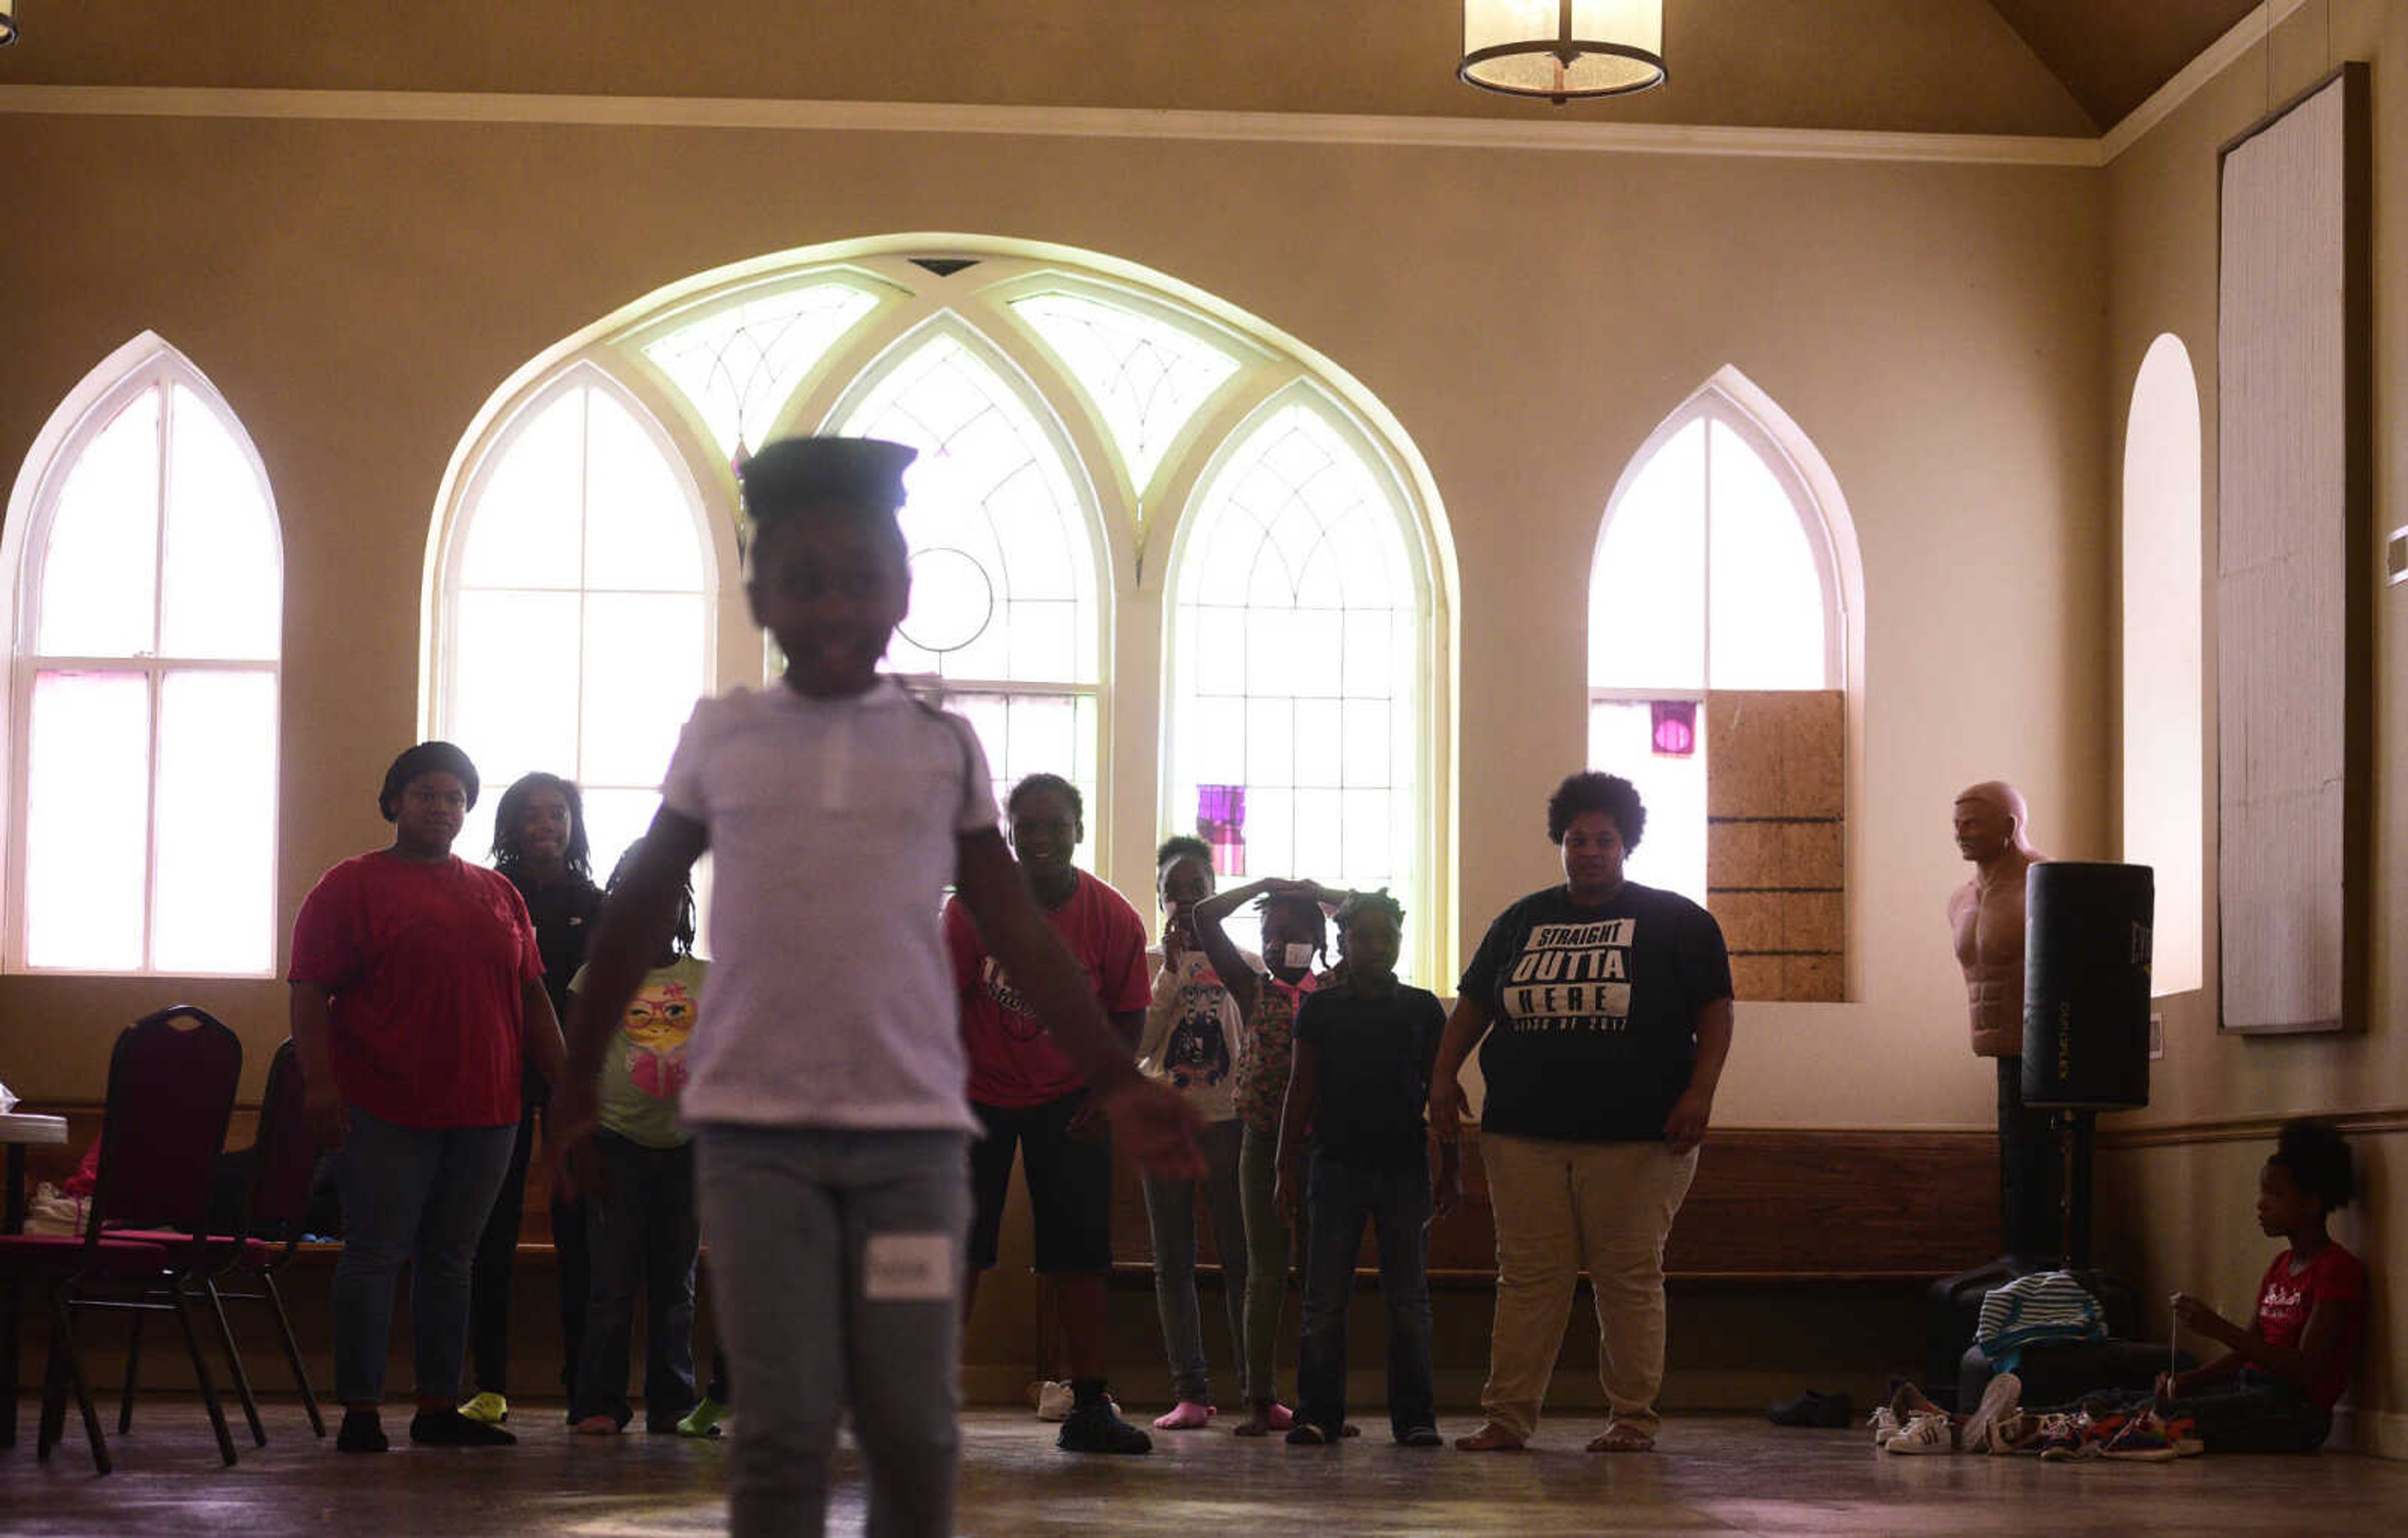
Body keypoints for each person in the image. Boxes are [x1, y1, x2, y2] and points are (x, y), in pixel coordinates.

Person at [549, 436, 1201, 1538]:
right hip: (758, 1143)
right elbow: (628, 920)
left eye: (861, 577)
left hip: (910, 1147)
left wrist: (1114, 1069)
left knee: (911, 1421)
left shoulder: (940, 747)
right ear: (761, 594)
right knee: (784, 1425)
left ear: (902, 589)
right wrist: (571, 1094)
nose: (835, 604)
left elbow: (1018, 929)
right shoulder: (725, 736)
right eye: (802, 580)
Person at [1431, 771, 1734, 1454]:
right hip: (1523, 1133)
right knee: (1529, 1277)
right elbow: (1476, 1003)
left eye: (1602, 839)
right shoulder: (1521, 919)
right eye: (1576, 839)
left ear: (1626, 843)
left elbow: (1716, 1014)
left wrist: (1700, 1094)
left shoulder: (1678, 921)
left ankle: (1632, 1416)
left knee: (1629, 1276)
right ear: (1560, 844)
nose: (1589, 850)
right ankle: (1507, 1417)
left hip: (1639, 1135)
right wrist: (1442, 1075)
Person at [288, 740, 564, 1455]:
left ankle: (440, 1404)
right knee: (375, 1254)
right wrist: (319, 1083)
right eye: (425, 794)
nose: (440, 808)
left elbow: (532, 995)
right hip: (383, 1105)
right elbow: (309, 989)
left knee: (453, 1258)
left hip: (489, 1109)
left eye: (454, 797)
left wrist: (569, 1087)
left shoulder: (500, 894)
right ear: (394, 802)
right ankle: (360, 1409)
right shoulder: (348, 886)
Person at [948, 771, 1155, 1455]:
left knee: (1079, 1251)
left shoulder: (1113, 916)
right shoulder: (971, 908)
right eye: (1026, 825)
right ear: (1009, 831)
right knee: (958, 1247)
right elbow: (938, 1005)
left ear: (1079, 830)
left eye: (1054, 825)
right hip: (976, 1093)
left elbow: (1128, 1015)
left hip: (1071, 1098)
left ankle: (1089, 1403)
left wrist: (1108, 1089)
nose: (1039, 836)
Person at [1277, 890, 1454, 1448]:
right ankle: (1318, 1413)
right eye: (1364, 937)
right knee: (1325, 1297)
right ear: (1343, 943)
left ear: (1401, 941)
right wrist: (1284, 1166)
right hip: (1335, 1168)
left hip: (1404, 1168)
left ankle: (1416, 1417)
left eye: (1389, 937)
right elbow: (1300, 1089)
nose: (1378, 947)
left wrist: (1453, 1165)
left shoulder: (1423, 1008)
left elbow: (1442, 1093)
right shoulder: (1321, 1009)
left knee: (1409, 1298)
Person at [462, 771, 605, 1426]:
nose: (546, 824)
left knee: (582, 1231)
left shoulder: (596, 901)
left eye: (558, 814)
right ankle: (488, 1383)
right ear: (511, 825)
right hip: (499, 1075)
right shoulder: (488, 895)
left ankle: (585, 1384)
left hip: (577, 1083)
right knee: (491, 1228)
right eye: (532, 814)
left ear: (572, 825)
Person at [567, 839, 709, 1435]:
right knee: (613, 1282)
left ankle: (673, 1401)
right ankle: (598, 1400)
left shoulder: (707, 977)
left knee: (675, 1282)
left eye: (670, 897)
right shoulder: (595, 977)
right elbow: (580, 1062)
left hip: (689, 1148)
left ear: (684, 906)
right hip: (617, 1144)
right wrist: (580, 1142)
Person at [1189, 875, 1336, 1436]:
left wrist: (1321, 893)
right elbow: (1206, 916)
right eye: (1271, 937)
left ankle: (1322, 1402)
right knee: (1265, 1274)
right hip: (1260, 1142)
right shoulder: (1254, 989)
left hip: (1320, 1148)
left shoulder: (1335, 992)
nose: (1278, 947)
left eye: (1292, 937)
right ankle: (1258, 1398)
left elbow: (1376, 911)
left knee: (1319, 1278)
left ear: (1320, 941)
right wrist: (1270, 884)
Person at [1134, 835, 1252, 1430]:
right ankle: (1191, 1391)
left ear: (1215, 895)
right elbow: (1140, 1045)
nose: (1185, 901)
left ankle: (1258, 1390)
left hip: (1230, 1122)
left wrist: (1212, 957)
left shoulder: (1246, 962)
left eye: (1197, 890)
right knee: (1173, 1259)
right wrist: (1172, 973)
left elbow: (1250, 1038)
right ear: (1159, 899)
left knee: (1242, 1256)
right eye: (1173, 891)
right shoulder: (1155, 967)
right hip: (1167, 1124)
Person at [1947, 781, 2062, 1263]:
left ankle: (2036, 1266)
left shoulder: (2050, 885)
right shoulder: (1961, 898)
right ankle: (2018, 1263)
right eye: (1956, 824)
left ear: (2010, 826)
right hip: (1999, 1045)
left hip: (2044, 1054)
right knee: (2012, 1167)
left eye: (1972, 823)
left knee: (2035, 1167)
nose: (1960, 834)